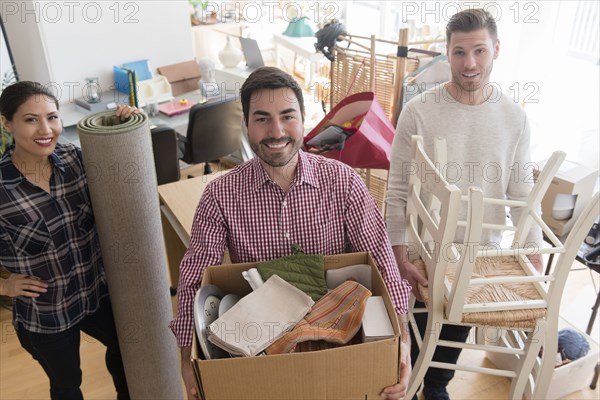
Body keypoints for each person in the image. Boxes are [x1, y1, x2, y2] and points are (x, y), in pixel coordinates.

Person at [169, 66, 412, 400]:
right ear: (246, 125)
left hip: (339, 353)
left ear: (303, 118)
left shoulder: (344, 183)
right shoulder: (220, 195)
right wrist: (187, 358)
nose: (277, 131)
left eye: (287, 116)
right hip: (263, 360)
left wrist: (404, 341)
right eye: (262, 119)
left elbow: (383, 263)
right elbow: (194, 277)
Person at [385, 8, 544, 400]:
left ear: (496, 50)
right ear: (447, 52)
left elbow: (523, 195)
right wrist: (399, 250)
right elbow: (397, 187)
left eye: (479, 51)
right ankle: (411, 380)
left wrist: (533, 248)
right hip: (427, 249)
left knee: (456, 331)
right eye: (459, 52)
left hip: (482, 253)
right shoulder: (418, 111)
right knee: (419, 332)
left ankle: (436, 385)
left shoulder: (515, 119)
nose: (469, 63)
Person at [0, 81, 138, 400]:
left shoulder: (74, 159)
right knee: (67, 384)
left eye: (52, 117)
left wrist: (126, 124)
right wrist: (5, 287)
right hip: (47, 314)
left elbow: (121, 177)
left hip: (94, 295)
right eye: (31, 119)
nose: (46, 129)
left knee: (126, 348)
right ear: (7, 124)